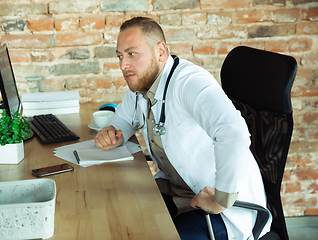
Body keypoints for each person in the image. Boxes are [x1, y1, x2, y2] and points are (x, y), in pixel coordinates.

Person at [94, 16, 271, 240]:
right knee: (116, 218)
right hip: (178, 192)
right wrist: (113, 132)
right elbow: (123, 118)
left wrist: (221, 199)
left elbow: (233, 131)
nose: (123, 65)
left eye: (132, 54)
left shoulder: (189, 82)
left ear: (160, 51)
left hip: (221, 210)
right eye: (120, 56)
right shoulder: (142, 84)